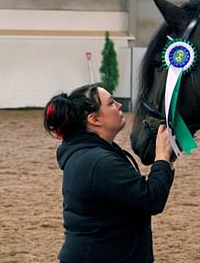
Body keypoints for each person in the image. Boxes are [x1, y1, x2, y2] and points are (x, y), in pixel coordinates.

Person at [43, 82, 176, 263]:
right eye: (111, 103)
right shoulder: (98, 162)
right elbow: (151, 199)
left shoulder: (90, 154)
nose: (119, 105)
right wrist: (162, 158)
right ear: (94, 119)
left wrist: (167, 160)